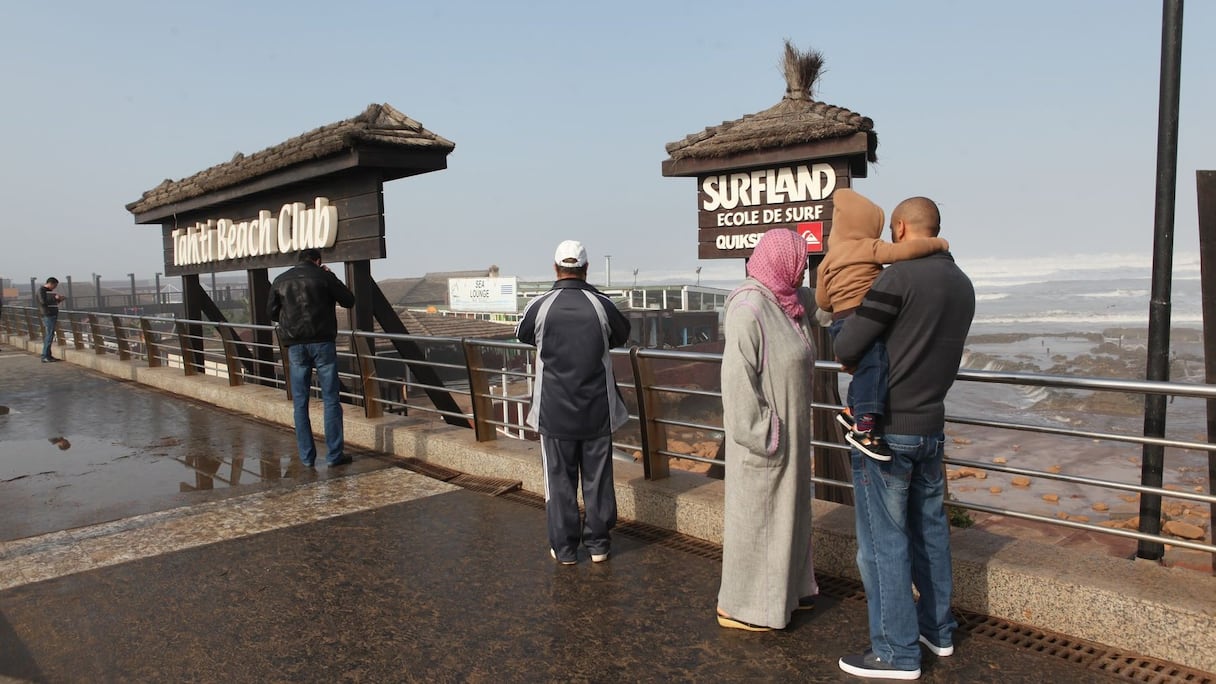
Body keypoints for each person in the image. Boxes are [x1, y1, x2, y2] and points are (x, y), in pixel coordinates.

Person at [833, 196, 975, 680]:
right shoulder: (962, 282)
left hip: (888, 431)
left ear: (899, 227)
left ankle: (896, 653)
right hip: (931, 427)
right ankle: (938, 630)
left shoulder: (897, 278)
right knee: (931, 532)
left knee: (882, 543)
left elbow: (848, 344)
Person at [716, 227, 819, 632]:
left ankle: (787, 593)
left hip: (788, 440)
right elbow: (737, 383)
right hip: (766, 444)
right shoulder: (750, 308)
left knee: (787, 521)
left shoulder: (787, 301)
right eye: (800, 261)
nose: (803, 269)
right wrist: (765, 434)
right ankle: (741, 607)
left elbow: (827, 305)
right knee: (757, 525)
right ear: (782, 261)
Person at [515, 240, 631, 565]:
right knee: (598, 478)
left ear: (555, 268)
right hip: (597, 410)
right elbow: (621, 334)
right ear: (586, 269)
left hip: (553, 412)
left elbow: (522, 334)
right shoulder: (602, 305)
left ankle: (565, 549)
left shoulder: (540, 306)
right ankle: (599, 545)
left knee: (559, 480)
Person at [815, 189, 949, 461]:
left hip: (840, 320)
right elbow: (906, 251)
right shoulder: (868, 247)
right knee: (875, 365)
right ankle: (863, 427)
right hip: (859, 316)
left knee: (865, 367)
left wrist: (836, 302)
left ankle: (853, 409)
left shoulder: (828, 260)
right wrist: (938, 244)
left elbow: (822, 299)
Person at [268, 248, 356, 468]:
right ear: (318, 261)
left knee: (300, 403)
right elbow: (348, 300)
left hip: (296, 345)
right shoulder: (323, 276)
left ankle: (307, 458)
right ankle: (334, 455)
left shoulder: (280, 280)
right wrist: (330, 275)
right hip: (323, 343)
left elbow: (270, 312)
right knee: (331, 400)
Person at [38, 277, 66, 362]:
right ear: (51, 283)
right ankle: (45, 356)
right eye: (55, 285)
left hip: (52, 313)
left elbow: (52, 302)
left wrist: (59, 300)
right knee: (49, 335)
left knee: (50, 335)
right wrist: (55, 298)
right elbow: (43, 301)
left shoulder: (49, 291)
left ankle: (48, 355)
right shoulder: (42, 290)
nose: (55, 288)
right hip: (48, 314)